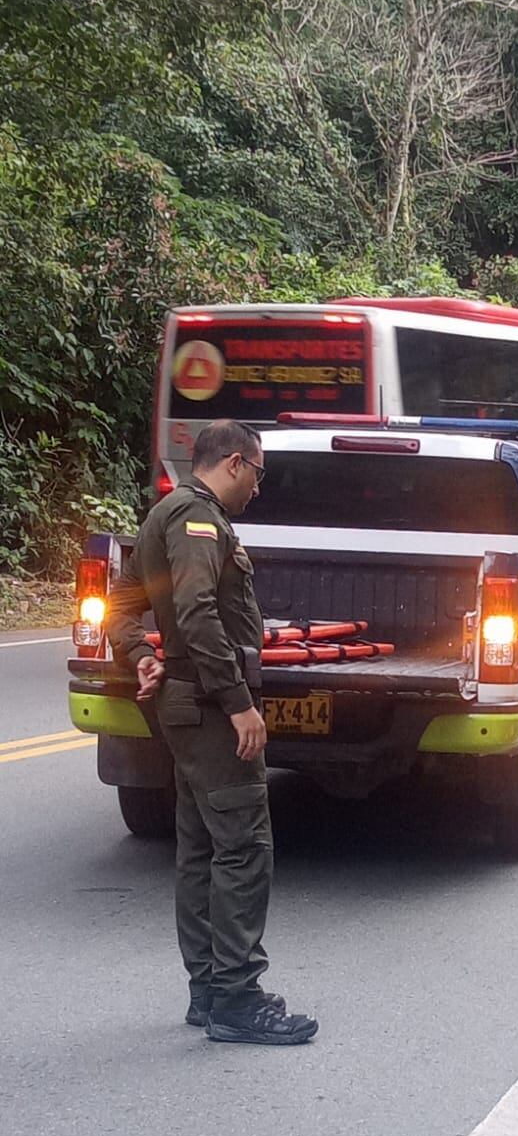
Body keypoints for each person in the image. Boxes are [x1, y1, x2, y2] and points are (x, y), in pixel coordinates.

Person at [107, 420, 318, 1045]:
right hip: (208, 709)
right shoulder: (198, 521)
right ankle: (237, 997)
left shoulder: (161, 515)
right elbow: (198, 612)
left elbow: (120, 608)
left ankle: (208, 991)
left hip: (183, 705)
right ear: (233, 462)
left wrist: (139, 653)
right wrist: (237, 703)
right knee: (244, 848)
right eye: (258, 472)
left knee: (201, 850)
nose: (258, 486)